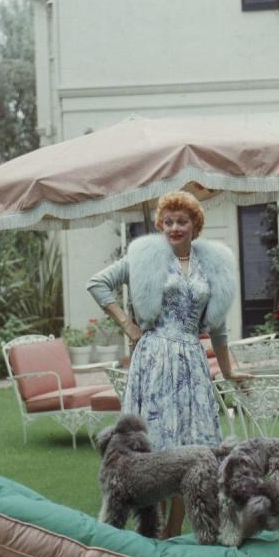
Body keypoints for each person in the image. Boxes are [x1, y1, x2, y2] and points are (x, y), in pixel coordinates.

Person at [87, 190, 238, 538]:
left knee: (193, 444)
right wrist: (128, 323)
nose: (174, 227)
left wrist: (228, 371)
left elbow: (218, 326)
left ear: (194, 225)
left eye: (181, 221)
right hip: (154, 361)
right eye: (167, 221)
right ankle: (153, 528)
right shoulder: (146, 258)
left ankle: (175, 527)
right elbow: (98, 283)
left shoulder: (210, 264)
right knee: (159, 444)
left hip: (192, 363)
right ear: (160, 225)